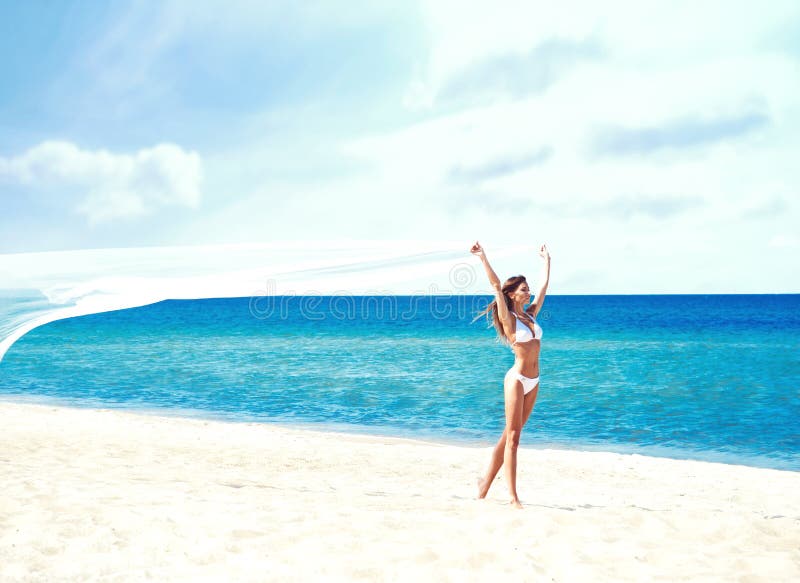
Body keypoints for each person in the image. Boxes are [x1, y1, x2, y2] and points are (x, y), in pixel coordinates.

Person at [470, 241, 550, 508]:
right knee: (514, 439)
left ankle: (484, 484)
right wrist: (483, 258)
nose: (529, 293)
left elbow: (544, 288)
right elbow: (495, 286)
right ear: (514, 294)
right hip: (516, 380)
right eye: (524, 290)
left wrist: (546, 261)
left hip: (535, 380)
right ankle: (513, 497)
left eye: (528, 289)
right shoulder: (509, 319)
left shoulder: (530, 316)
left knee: (508, 435)